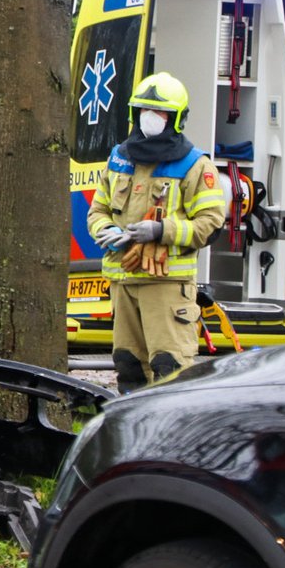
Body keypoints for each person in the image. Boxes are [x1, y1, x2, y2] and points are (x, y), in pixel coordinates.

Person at [87, 72, 226, 393]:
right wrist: (106, 229)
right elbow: (98, 210)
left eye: (159, 113)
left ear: (176, 119)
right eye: (145, 111)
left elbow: (211, 224)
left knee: (169, 371)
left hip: (165, 286)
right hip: (123, 282)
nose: (151, 118)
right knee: (128, 366)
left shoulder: (194, 165)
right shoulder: (120, 157)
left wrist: (160, 230)